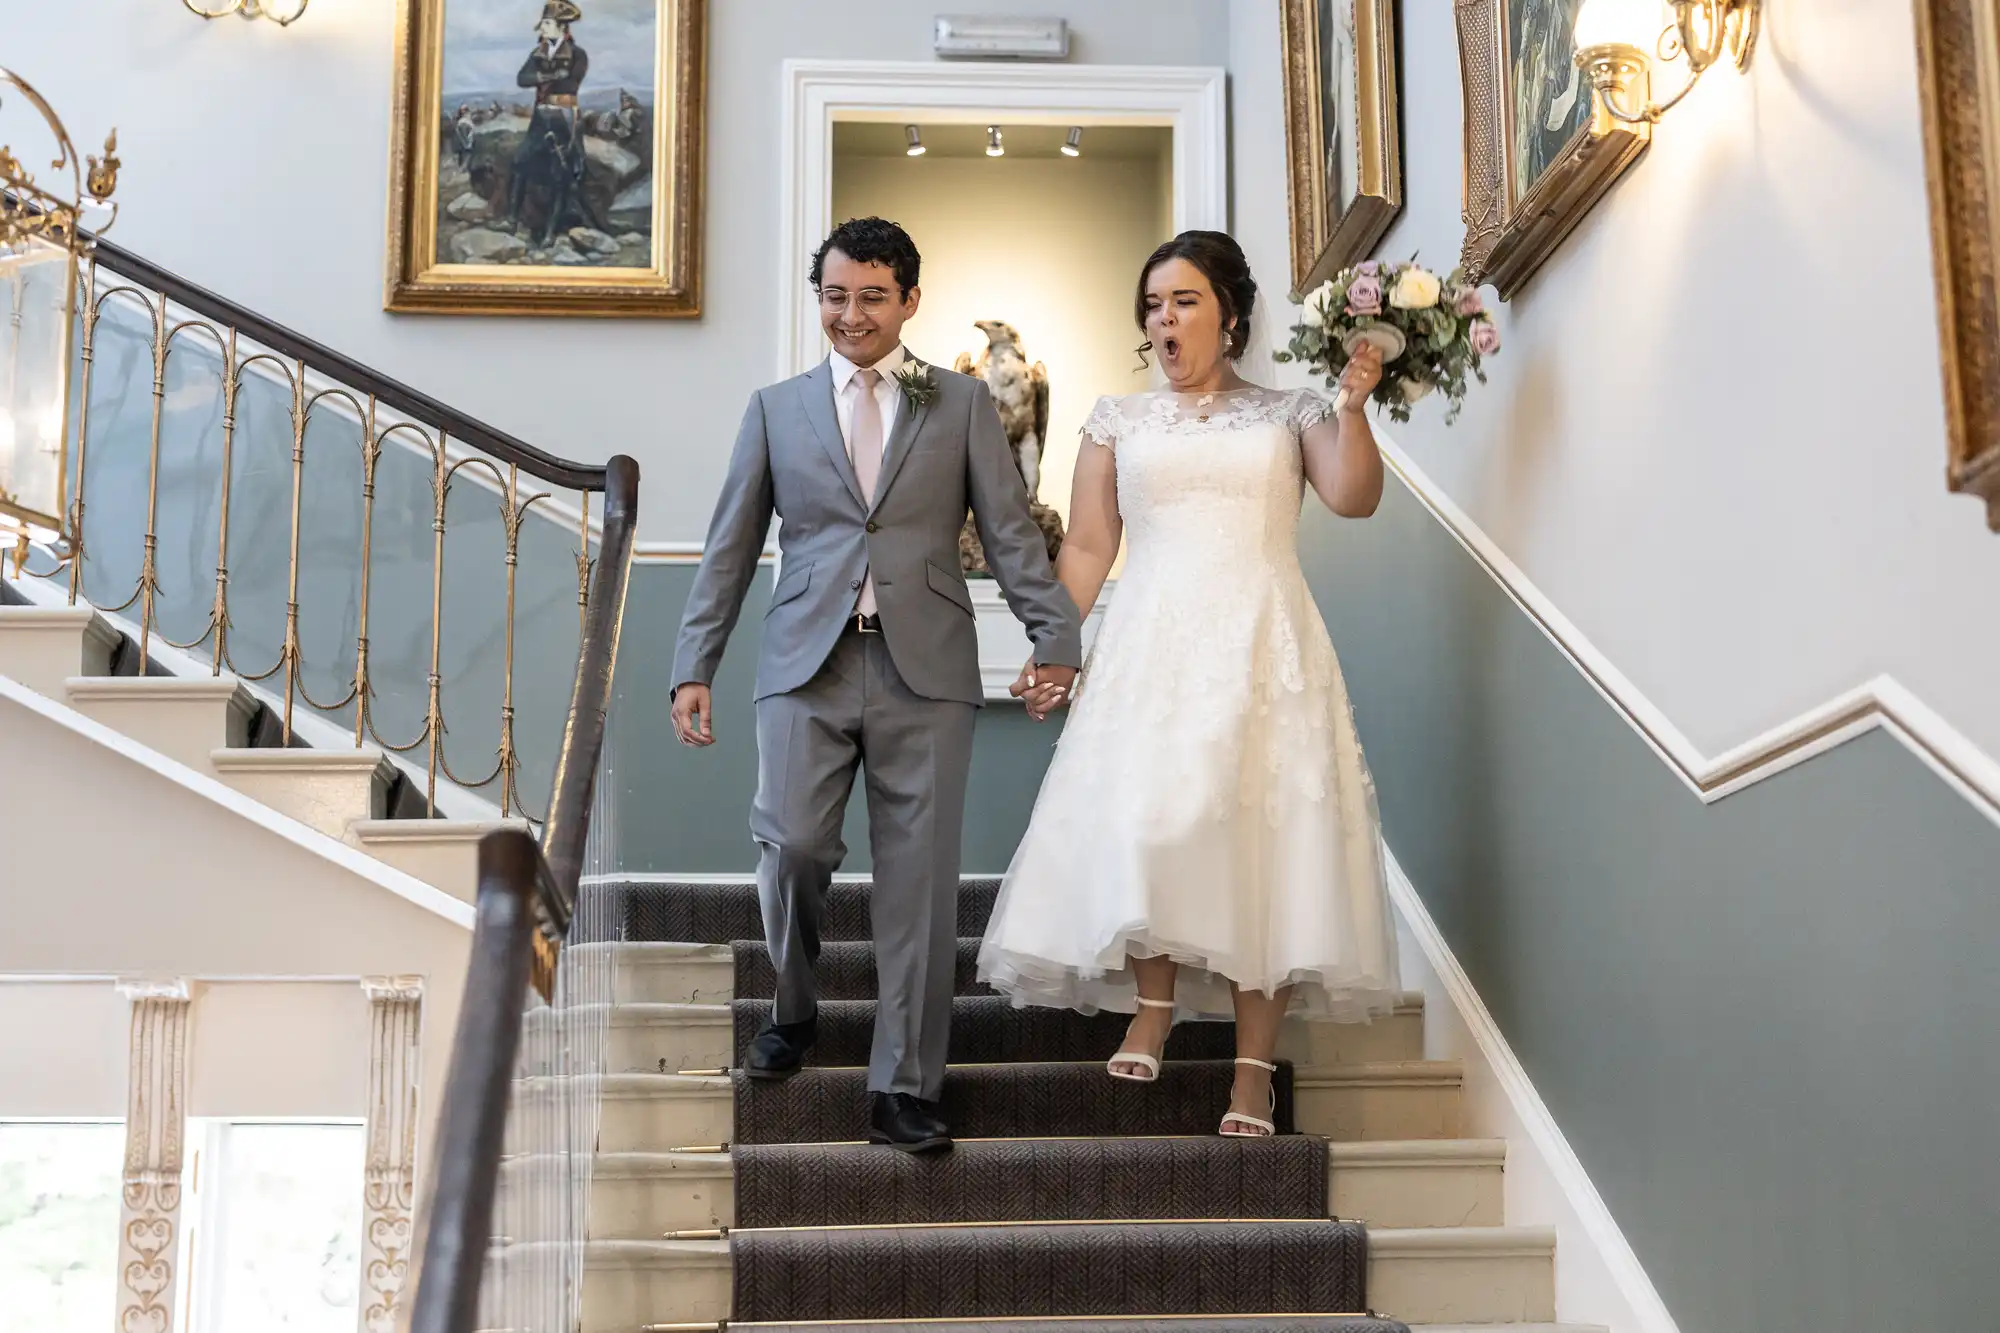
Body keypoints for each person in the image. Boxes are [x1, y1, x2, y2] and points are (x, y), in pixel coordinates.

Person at [670, 217, 1083, 1153]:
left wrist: (1055, 636)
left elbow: (1013, 536)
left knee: (920, 885)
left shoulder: (964, 403)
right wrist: (694, 663)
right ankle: (796, 1005)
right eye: (833, 295)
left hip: (926, 668)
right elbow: (730, 546)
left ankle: (906, 1085)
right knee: (793, 844)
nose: (849, 315)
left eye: (869, 297)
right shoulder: (776, 408)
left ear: (909, 302)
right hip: (803, 665)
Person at [978, 230, 1401, 1137]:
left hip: (1263, 639)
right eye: (1153, 306)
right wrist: (1056, 644)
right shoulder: (1115, 420)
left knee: (1265, 843)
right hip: (1151, 643)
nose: (1164, 321)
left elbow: (1355, 496)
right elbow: (1090, 545)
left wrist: (1355, 408)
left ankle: (1254, 1070)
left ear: (1231, 315)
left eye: (1184, 302)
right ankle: (1154, 1003)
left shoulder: (1293, 412)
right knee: (1154, 816)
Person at [509, 0, 595, 246]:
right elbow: (522, 78)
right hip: (541, 116)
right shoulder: (538, 52)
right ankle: (511, 219)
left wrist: (543, 76)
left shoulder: (578, 54)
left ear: (561, 26)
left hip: (564, 116)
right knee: (519, 162)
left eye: (546, 24)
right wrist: (547, 75)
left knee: (563, 173)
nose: (542, 29)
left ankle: (550, 233)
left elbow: (570, 80)